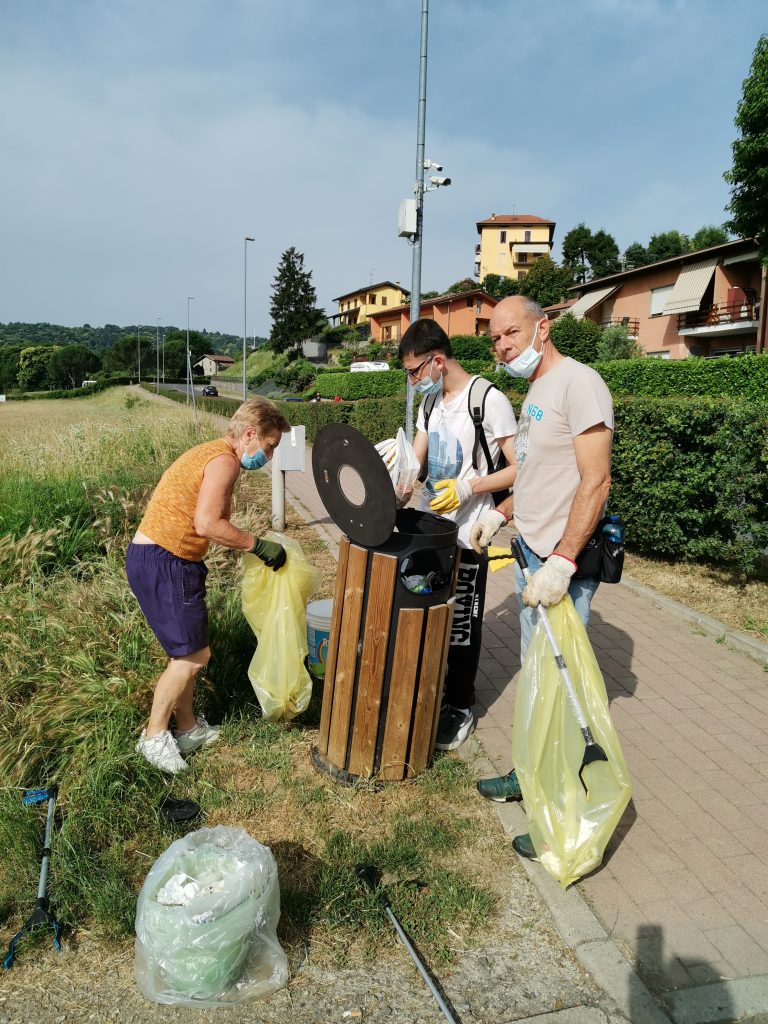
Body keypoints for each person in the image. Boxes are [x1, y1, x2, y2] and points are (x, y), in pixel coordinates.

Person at [469, 296, 613, 858]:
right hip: (531, 557)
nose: (501, 344)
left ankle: (564, 816)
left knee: (560, 686)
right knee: (536, 676)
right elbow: (532, 473)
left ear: (542, 327)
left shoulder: (580, 384)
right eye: (495, 338)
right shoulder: (535, 392)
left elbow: (595, 481)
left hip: (559, 567)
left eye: (511, 332)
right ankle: (527, 774)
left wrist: (565, 560)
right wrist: (498, 515)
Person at [126, 398, 291, 774]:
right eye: (269, 446)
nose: (268, 455)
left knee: (185, 652)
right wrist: (258, 546)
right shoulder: (225, 460)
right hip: (168, 562)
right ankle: (153, 737)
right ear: (250, 434)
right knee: (193, 657)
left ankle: (187, 730)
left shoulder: (212, 452)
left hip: (158, 558)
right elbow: (207, 524)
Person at [398, 319, 517, 751]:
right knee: (430, 615)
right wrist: (400, 482)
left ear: (438, 360)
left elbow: (521, 468)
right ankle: (432, 694)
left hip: (472, 533)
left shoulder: (488, 400)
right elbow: (416, 459)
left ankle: (461, 706)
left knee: (463, 625)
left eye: (415, 372)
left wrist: (470, 487)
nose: (412, 381)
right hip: (433, 532)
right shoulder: (429, 405)